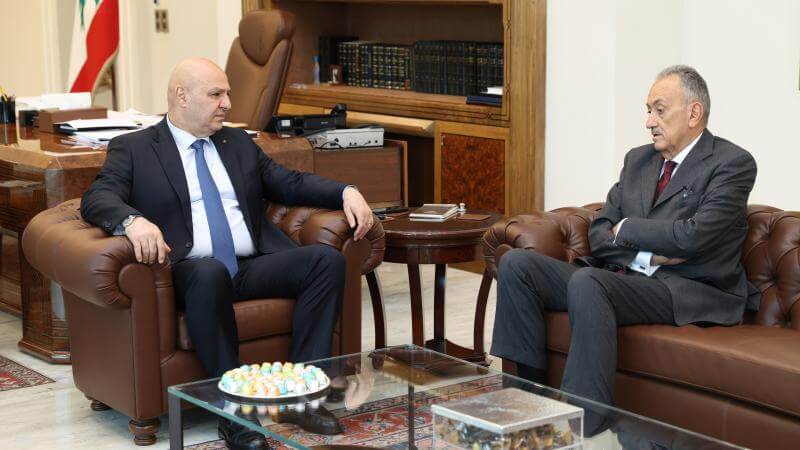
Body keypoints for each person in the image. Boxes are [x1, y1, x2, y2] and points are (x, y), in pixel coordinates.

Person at [80, 57, 373, 449]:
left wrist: (345, 191)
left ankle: (301, 395)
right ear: (182, 97)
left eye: (228, 94)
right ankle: (234, 412)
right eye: (216, 94)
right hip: (190, 271)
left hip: (250, 265)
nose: (227, 104)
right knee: (209, 272)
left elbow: (288, 182)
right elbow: (97, 197)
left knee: (325, 260)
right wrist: (132, 221)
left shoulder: (235, 142)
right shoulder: (136, 149)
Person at [490, 65, 757, 431]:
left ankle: (584, 425)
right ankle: (526, 403)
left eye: (659, 110)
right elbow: (600, 234)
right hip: (624, 278)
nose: (649, 122)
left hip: (684, 289)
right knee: (518, 265)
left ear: (694, 113)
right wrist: (648, 253)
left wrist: (628, 228)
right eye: (648, 110)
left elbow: (692, 237)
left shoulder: (732, 164)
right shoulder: (638, 160)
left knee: (588, 282)